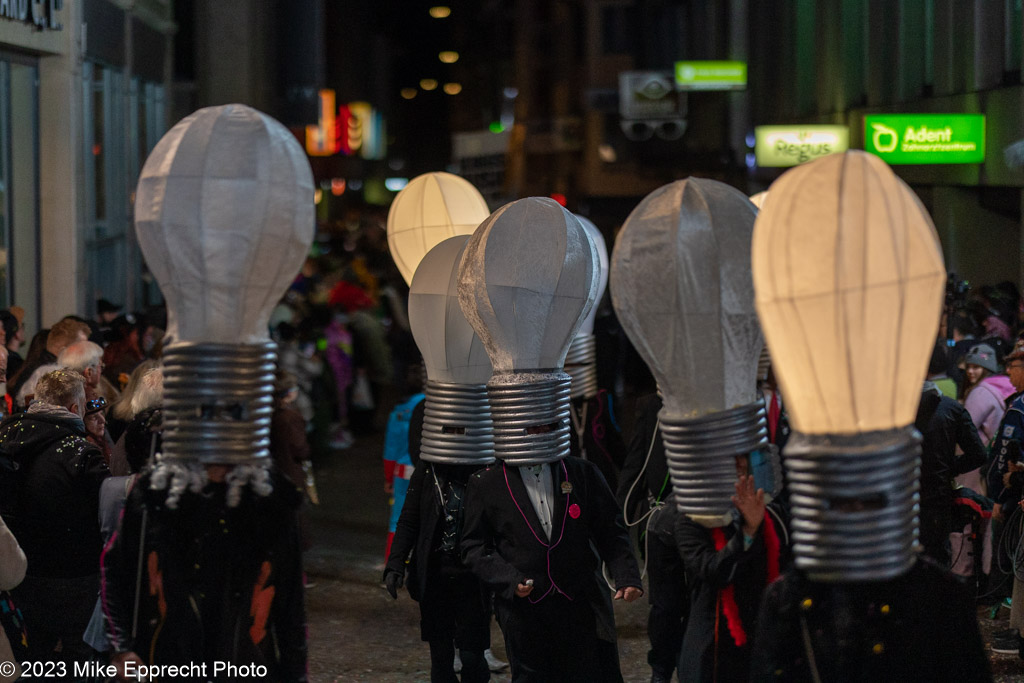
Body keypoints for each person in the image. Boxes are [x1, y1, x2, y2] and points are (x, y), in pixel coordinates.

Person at [100, 462, 308, 682]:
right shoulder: (157, 493)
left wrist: (296, 676)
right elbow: (114, 569)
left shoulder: (271, 501)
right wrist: (121, 648)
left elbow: (291, 606)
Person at [461, 454, 643, 681]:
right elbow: (475, 546)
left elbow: (610, 528)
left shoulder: (581, 472)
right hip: (524, 611)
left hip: (578, 602)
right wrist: (508, 579)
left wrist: (627, 576)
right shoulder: (487, 482)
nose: (538, 429)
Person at [0, 369, 108, 664]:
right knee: (81, 656)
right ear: (75, 409)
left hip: (19, 573)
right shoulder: (82, 453)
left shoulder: (5, 437)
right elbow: (105, 512)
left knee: (32, 655)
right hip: (74, 576)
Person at [675, 457, 783, 683]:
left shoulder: (772, 515)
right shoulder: (691, 519)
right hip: (714, 645)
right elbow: (714, 570)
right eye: (732, 468)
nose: (739, 477)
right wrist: (748, 531)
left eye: (743, 467)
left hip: (760, 637)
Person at [384, 458, 492, 683]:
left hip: (473, 579)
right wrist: (396, 564)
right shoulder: (427, 470)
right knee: (441, 657)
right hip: (435, 576)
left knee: (472, 655)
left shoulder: (487, 469)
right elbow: (409, 520)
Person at [617, 393, 687, 683]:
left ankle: (691, 665)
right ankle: (660, 670)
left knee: (697, 602)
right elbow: (636, 465)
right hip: (657, 525)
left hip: (700, 521)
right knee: (665, 604)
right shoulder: (650, 406)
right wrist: (618, 523)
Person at [915, 379, 988, 567]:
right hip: (937, 498)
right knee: (936, 560)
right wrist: (948, 468)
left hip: (900, 499)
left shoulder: (894, 410)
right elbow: (978, 454)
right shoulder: (951, 408)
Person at [8, 318, 89, 403]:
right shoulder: (47, 374)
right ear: (64, 350)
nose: (87, 354)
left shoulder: (37, 367)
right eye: (82, 349)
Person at [962, 343, 1014, 445]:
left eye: (976, 367)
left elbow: (965, 428)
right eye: (968, 367)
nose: (970, 371)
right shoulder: (1006, 385)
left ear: (987, 369)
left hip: (983, 453)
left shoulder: (981, 392)